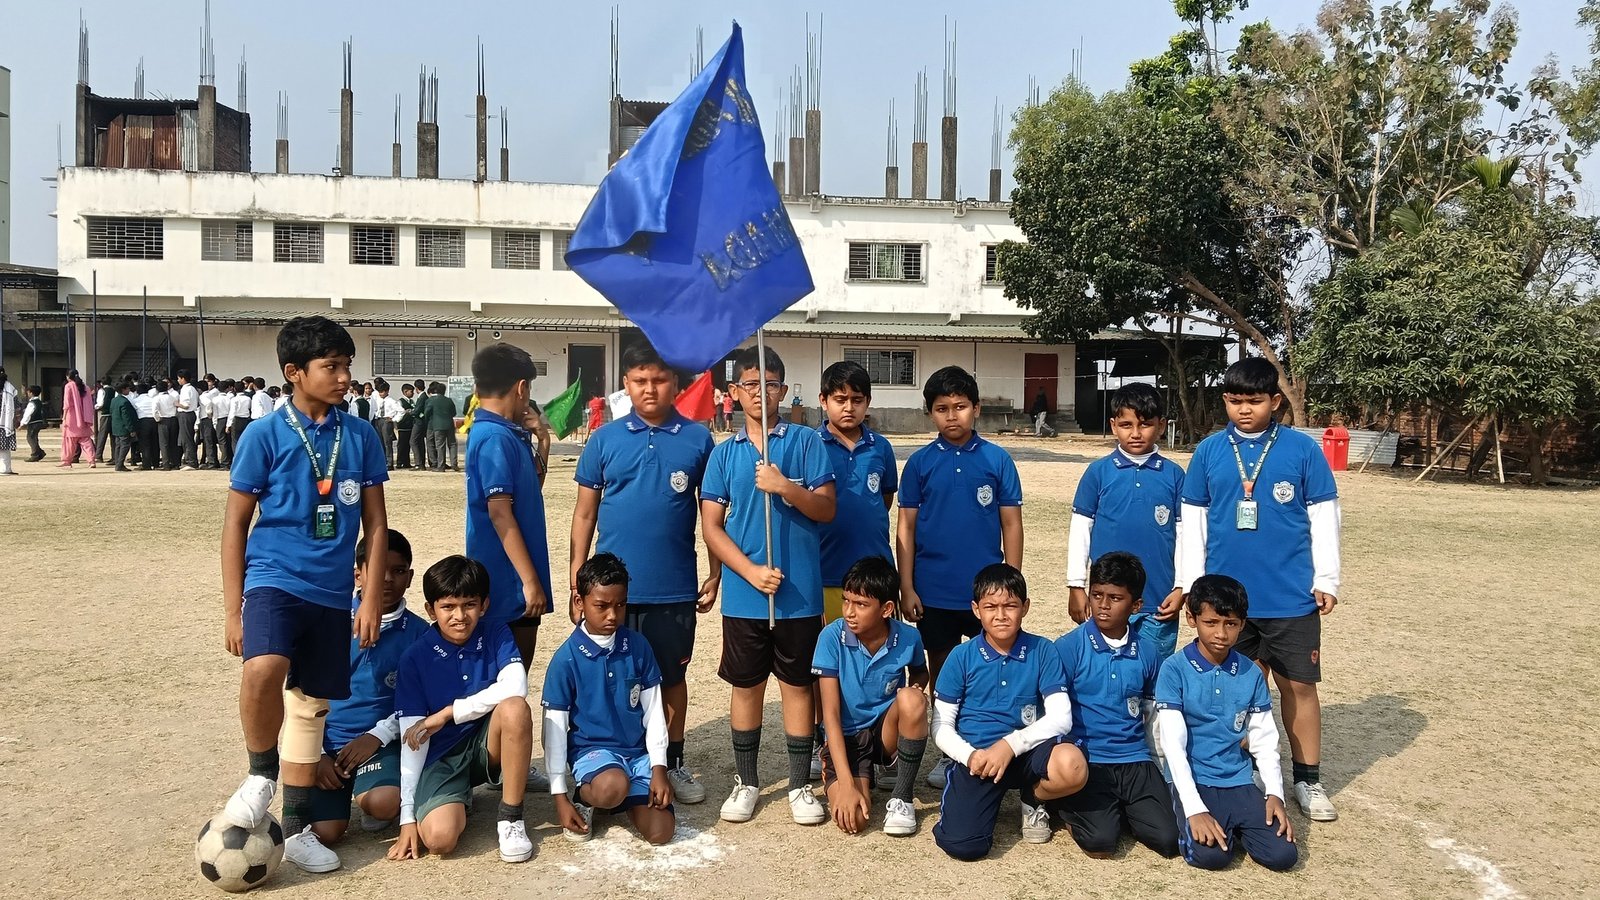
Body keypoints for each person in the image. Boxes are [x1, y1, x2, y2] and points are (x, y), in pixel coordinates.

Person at [218, 315, 391, 876]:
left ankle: (295, 831)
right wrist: (233, 609)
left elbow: (377, 524)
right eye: (331, 367)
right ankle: (259, 774)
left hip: (334, 591)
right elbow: (235, 524)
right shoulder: (263, 435)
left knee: (310, 705)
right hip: (274, 578)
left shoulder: (360, 435)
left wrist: (368, 598)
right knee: (263, 667)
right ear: (294, 372)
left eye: (347, 366)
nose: (344, 377)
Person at [1178, 357, 1342, 822]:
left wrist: (1326, 579)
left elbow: (1324, 516)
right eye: (1234, 401)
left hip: (1290, 596)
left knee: (1299, 686)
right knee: (1238, 688)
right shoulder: (1210, 451)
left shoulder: (1302, 450)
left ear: (1275, 402)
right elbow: (1193, 523)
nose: (1244, 410)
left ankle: (1307, 780)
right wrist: (1192, 585)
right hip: (1229, 603)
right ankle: (1244, 770)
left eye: (1254, 401)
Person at [569, 340, 717, 803]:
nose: (649, 389)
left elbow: (712, 513)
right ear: (626, 384)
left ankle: (672, 762)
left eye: (658, 380)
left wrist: (715, 571)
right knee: (608, 678)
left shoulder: (698, 440)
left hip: (673, 589)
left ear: (675, 383)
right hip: (612, 593)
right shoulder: (604, 439)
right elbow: (584, 513)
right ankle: (607, 758)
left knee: (671, 680)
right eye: (639, 381)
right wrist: (576, 578)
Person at [701, 346, 836, 825]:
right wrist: (750, 572)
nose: (761, 393)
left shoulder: (807, 442)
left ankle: (799, 784)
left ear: (783, 390)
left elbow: (826, 508)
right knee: (747, 686)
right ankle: (747, 781)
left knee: (798, 687)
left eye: (771, 384)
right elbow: (712, 527)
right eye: (751, 385)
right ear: (734, 393)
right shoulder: (724, 454)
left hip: (799, 597)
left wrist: (786, 488)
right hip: (745, 597)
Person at [896, 365, 1023, 788]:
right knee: (944, 673)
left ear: (977, 409)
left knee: (992, 671)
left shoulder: (997, 460)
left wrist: (1010, 585)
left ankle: (992, 744)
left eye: (961, 406)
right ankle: (948, 753)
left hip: (987, 593)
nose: (952, 416)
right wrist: (907, 586)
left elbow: (1011, 524)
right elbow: (906, 529)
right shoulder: (920, 463)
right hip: (934, 591)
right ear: (930, 412)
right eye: (942, 408)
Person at [931, 563, 1088, 860]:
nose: (1001, 615)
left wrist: (1009, 745)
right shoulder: (960, 657)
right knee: (964, 846)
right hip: (980, 758)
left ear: (1025, 607)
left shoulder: (1043, 650)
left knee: (1072, 765)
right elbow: (940, 726)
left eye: (1010, 606)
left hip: (1027, 754)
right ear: (976, 610)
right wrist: (969, 756)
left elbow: (1061, 718)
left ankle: (1034, 797)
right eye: (991, 606)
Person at [388, 556, 535, 864]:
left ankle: (511, 818)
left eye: (469, 605)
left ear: (484, 605)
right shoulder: (415, 658)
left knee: (515, 709)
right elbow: (414, 739)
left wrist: (448, 713)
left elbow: (516, 686)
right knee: (439, 841)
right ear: (431, 610)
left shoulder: (496, 633)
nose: (460, 616)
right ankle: (456, 795)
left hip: (486, 746)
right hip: (441, 758)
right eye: (448, 607)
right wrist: (407, 818)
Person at [1156, 574, 1297, 871]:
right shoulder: (1174, 669)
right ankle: (1203, 822)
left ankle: (1237, 824)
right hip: (1194, 779)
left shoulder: (1251, 673)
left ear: (1242, 624)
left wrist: (1275, 794)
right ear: (1191, 618)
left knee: (1282, 855)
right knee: (1212, 857)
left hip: (1238, 779)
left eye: (1230, 624)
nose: (1221, 633)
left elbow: (1264, 739)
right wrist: (1194, 809)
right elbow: (1173, 745)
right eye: (1211, 622)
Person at [1052, 551, 1179, 859]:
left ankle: (1124, 809)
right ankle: (1065, 804)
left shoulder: (1148, 653)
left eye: (1115, 598)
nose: (1103, 605)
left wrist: (1162, 770)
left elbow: (1154, 718)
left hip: (1134, 759)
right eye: (1097, 595)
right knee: (1100, 843)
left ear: (1136, 606)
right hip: (1089, 758)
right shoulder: (1068, 648)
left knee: (1169, 840)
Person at [543, 553, 677, 845]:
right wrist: (559, 797)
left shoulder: (638, 646)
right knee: (611, 787)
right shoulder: (565, 660)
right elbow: (554, 732)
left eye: (620, 605)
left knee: (661, 833)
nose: (613, 615)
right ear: (579, 602)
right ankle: (586, 796)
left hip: (637, 756)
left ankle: (627, 797)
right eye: (602, 606)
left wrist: (659, 768)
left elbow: (654, 712)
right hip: (594, 753)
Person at [307, 531, 428, 844]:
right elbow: (302, 695)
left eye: (398, 571)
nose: (386, 579)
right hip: (327, 742)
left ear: (410, 577)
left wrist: (377, 736)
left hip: (380, 741)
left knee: (383, 803)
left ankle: (375, 792)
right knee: (324, 833)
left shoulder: (421, 634)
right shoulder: (327, 624)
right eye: (376, 570)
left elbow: (421, 703)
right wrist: (316, 752)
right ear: (357, 575)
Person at [810, 556, 928, 837]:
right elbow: (831, 715)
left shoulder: (908, 638)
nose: (850, 612)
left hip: (883, 735)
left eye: (861, 605)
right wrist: (847, 784)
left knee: (913, 700)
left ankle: (902, 797)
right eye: (846, 601)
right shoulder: (830, 637)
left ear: (886, 609)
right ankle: (856, 775)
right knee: (854, 820)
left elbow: (921, 673)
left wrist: (914, 691)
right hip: (845, 737)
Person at [1067, 383, 1185, 657]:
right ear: (1113, 425)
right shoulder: (1098, 473)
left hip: (1159, 602)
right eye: (1126, 425)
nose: (1135, 433)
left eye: (1145, 424)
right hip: (1108, 601)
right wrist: (1076, 585)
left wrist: (1182, 586)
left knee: (1155, 674)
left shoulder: (1175, 475)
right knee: (1106, 670)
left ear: (1161, 425)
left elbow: (1186, 536)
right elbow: (1080, 530)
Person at [465, 344, 554, 671]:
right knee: (509, 677)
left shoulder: (507, 433)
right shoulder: (495, 438)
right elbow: (500, 513)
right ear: (522, 388)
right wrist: (530, 581)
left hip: (513, 576)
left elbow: (528, 493)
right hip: (507, 580)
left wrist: (542, 440)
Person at [816, 361, 898, 625]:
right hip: (827, 572)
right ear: (823, 400)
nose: (849, 407)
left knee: (882, 646)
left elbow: (884, 500)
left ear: (868, 402)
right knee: (831, 646)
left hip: (877, 574)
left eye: (857, 400)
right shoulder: (810, 446)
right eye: (840, 399)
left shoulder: (881, 448)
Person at [59, 370, 97, 468]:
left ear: (68, 376)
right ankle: (91, 460)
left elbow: (66, 403)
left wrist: (64, 417)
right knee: (85, 440)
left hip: (71, 416)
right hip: (84, 417)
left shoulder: (69, 386)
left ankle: (67, 460)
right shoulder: (86, 387)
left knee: (69, 440)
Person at [425, 382, 457, 472]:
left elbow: (427, 412)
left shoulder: (432, 400)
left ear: (436, 390)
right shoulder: (449, 400)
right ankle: (454, 464)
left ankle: (441, 466)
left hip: (437, 425)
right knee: (452, 444)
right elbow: (454, 413)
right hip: (449, 424)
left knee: (440, 446)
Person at [109, 382, 138, 472]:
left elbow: (111, 412)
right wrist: (131, 429)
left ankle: (117, 462)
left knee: (118, 445)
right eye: (127, 388)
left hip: (116, 426)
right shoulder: (124, 402)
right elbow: (126, 417)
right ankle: (120, 464)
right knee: (125, 446)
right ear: (123, 389)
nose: (129, 390)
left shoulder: (114, 400)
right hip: (123, 427)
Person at [372, 379, 399, 470]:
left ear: (387, 391)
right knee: (380, 442)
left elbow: (401, 411)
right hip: (378, 420)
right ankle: (382, 462)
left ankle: (389, 463)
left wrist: (394, 419)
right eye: (379, 392)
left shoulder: (391, 401)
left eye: (382, 392)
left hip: (386, 421)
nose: (381, 394)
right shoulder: (377, 400)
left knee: (387, 442)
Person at [177, 370, 201, 470]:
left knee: (187, 439)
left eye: (179, 378)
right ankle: (190, 460)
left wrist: (177, 404)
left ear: (183, 378)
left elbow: (186, 405)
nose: (178, 380)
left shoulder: (186, 389)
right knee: (187, 438)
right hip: (190, 414)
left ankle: (191, 461)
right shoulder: (193, 389)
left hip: (186, 414)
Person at [154, 378, 180, 470]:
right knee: (173, 442)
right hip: (173, 419)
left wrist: (158, 419)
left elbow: (155, 411)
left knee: (164, 443)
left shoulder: (157, 398)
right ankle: (175, 463)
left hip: (163, 420)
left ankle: (166, 464)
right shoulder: (172, 397)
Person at [199, 375, 223, 469]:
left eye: (208, 381)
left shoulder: (207, 394)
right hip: (212, 418)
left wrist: (209, 412)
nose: (207, 384)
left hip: (207, 417)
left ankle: (212, 462)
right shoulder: (215, 392)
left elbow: (208, 403)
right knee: (210, 440)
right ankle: (212, 460)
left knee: (209, 440)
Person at [21, 385, 48, 463]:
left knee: (30, 438)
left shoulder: (32, 403)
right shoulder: (39, 402)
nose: (27, 393)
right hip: (39, 422)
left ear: (31, 393)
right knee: (34, 438)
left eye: (28, 392)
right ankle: (40, 452)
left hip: (33, 423)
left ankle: (35, 454)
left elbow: (28, 414)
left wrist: (23, 423)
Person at [409, 379, 429, 472]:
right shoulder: (424, 396)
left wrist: (410, 412)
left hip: (419, 422)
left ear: (416, 388)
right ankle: (421, 463)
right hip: (422, 422)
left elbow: (417, 411)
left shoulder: (422, 397)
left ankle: (418, 463)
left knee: (413, 441)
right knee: (420, 442)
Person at [396, 383, 417, 469]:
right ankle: (399, 462)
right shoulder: (400, 402)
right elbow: (399, 412)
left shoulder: (412, 402)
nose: (413, 393)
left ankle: (406, 462)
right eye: (411, 391)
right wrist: (406, 412)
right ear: (405, 392)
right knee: (402, 445)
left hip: (410, 426)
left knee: (408, 445)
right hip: (403, 426)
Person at [93, 379, 114, 462]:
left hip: (105, 414)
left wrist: (96, 407)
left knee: (102, 436)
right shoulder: (114, 390)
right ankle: (114, 456)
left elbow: (100, 403)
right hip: (113, 415)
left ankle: (98, 455)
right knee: (114, 437)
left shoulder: (102, 391)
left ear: (102, 383)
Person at [0, 369, 15, 475]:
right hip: (5, 422)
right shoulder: (10, 388)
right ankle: (6, 469)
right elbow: (16, 405)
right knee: (5, 447)